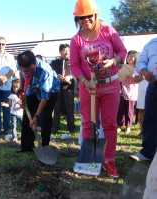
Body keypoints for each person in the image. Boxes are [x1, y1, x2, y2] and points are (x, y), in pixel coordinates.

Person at [70, 0, 127, 178]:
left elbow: (122, 52)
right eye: (81, 17)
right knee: (88, 123)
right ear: (77, 19)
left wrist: (113, 62)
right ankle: (89, 159)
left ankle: (109, 160)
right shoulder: (76, 40)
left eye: (88, 16)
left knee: (110, 124)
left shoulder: (108, 31)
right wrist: (84, 82)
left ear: (95, 15)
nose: (85, 20)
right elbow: (75, 66)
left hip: (111, 85)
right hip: (89, 88)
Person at [16, 50, 59, 153]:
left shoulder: (44, 71)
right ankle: (27, 146)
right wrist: (22, 86)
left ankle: (45, 146)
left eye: (31, 70)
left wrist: (37, 116)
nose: (29, 73)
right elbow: (22, 74)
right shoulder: (21, 64)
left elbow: (45, 97)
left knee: (45, 117)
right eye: (26, 71)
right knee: (27, 116)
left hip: (50, 92)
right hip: (33, 89)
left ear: (35, 63)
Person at [129, 37, 157, 162]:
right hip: (154, 85)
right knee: (149, 117)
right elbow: (141, 62)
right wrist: (145, 72)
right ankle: (147, 152)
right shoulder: (151, 44)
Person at [50, 43, 76, 134]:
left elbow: (76, 73)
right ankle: (55, 127)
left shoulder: (73, 62)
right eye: (64, 50)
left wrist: (70, 77)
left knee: (70, 108)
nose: (67, 52)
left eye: (68, 50)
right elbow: (50, 73)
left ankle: (71, 127)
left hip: (69, 87)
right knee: (57, 108)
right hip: (58, 88)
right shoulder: (54, 62)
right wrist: (57, 75)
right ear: (60, 51)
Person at [117, 50, 142, 134]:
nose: (129, 58)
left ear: (136, 58)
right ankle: (119, 126)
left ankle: (128, 127)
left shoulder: (138, 68)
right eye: (128, 56)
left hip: (132, 92)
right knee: (120, 110)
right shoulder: (123, 67)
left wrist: (133, 78)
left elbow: (139, 79)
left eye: (131, 56)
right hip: (122, 91)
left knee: (129, 111)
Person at [1, 78, 23, 142]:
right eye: (14, 87)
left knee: (23, 125)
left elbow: (24, 104)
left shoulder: (22, 95)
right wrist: (5, 104)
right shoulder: (12, 95)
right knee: (13, 126)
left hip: (20, 114)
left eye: (17, 87)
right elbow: (9, 104)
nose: (15, 89)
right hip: (13, 113)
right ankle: (14, 137)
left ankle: (24, 135)